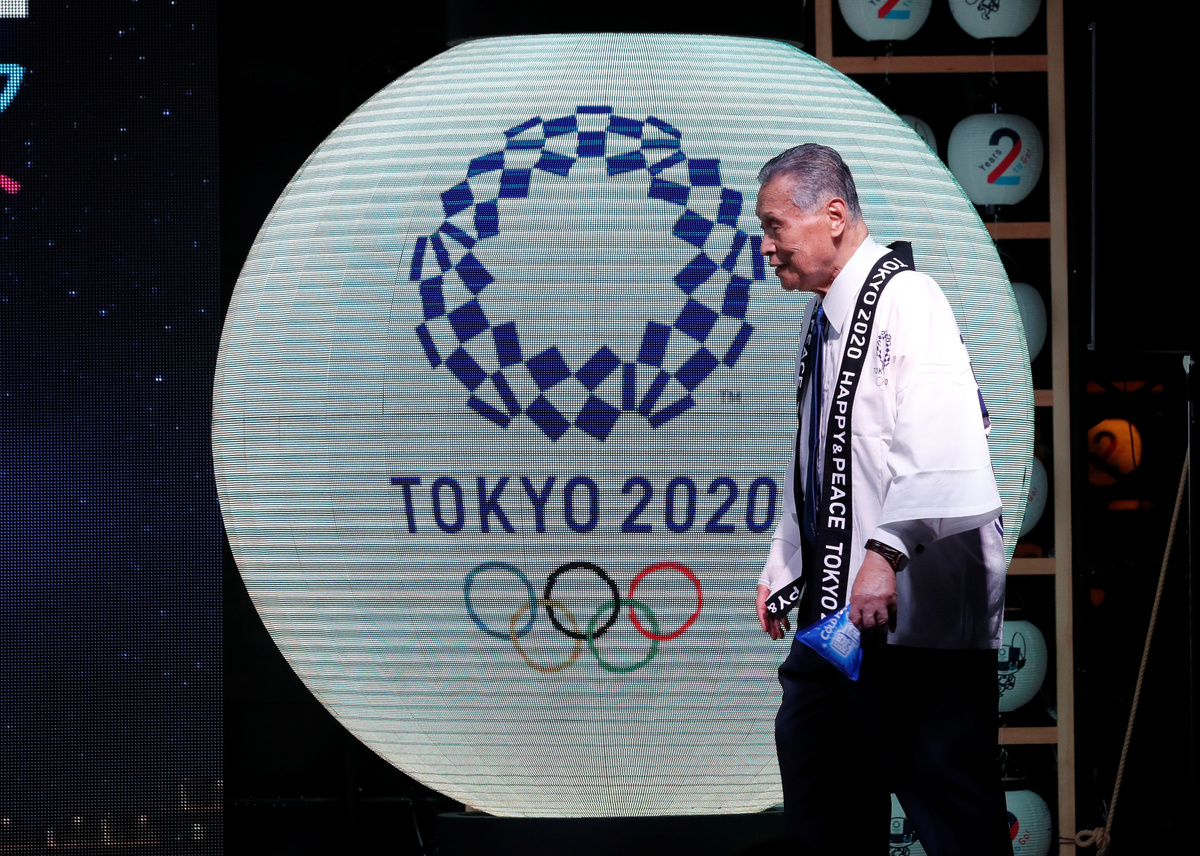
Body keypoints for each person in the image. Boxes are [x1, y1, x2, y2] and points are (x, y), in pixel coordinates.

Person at [753, 143, 1013, 856]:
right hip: (837, 618)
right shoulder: (823, 319)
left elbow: (942, 435)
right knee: (821, 796)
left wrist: (884, 552)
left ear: (833, 215)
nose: (766, 247)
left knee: (955, 818)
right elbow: (822, 458)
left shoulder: (908, 298)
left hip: (909, 623)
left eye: (775, 227)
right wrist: (785, 564)